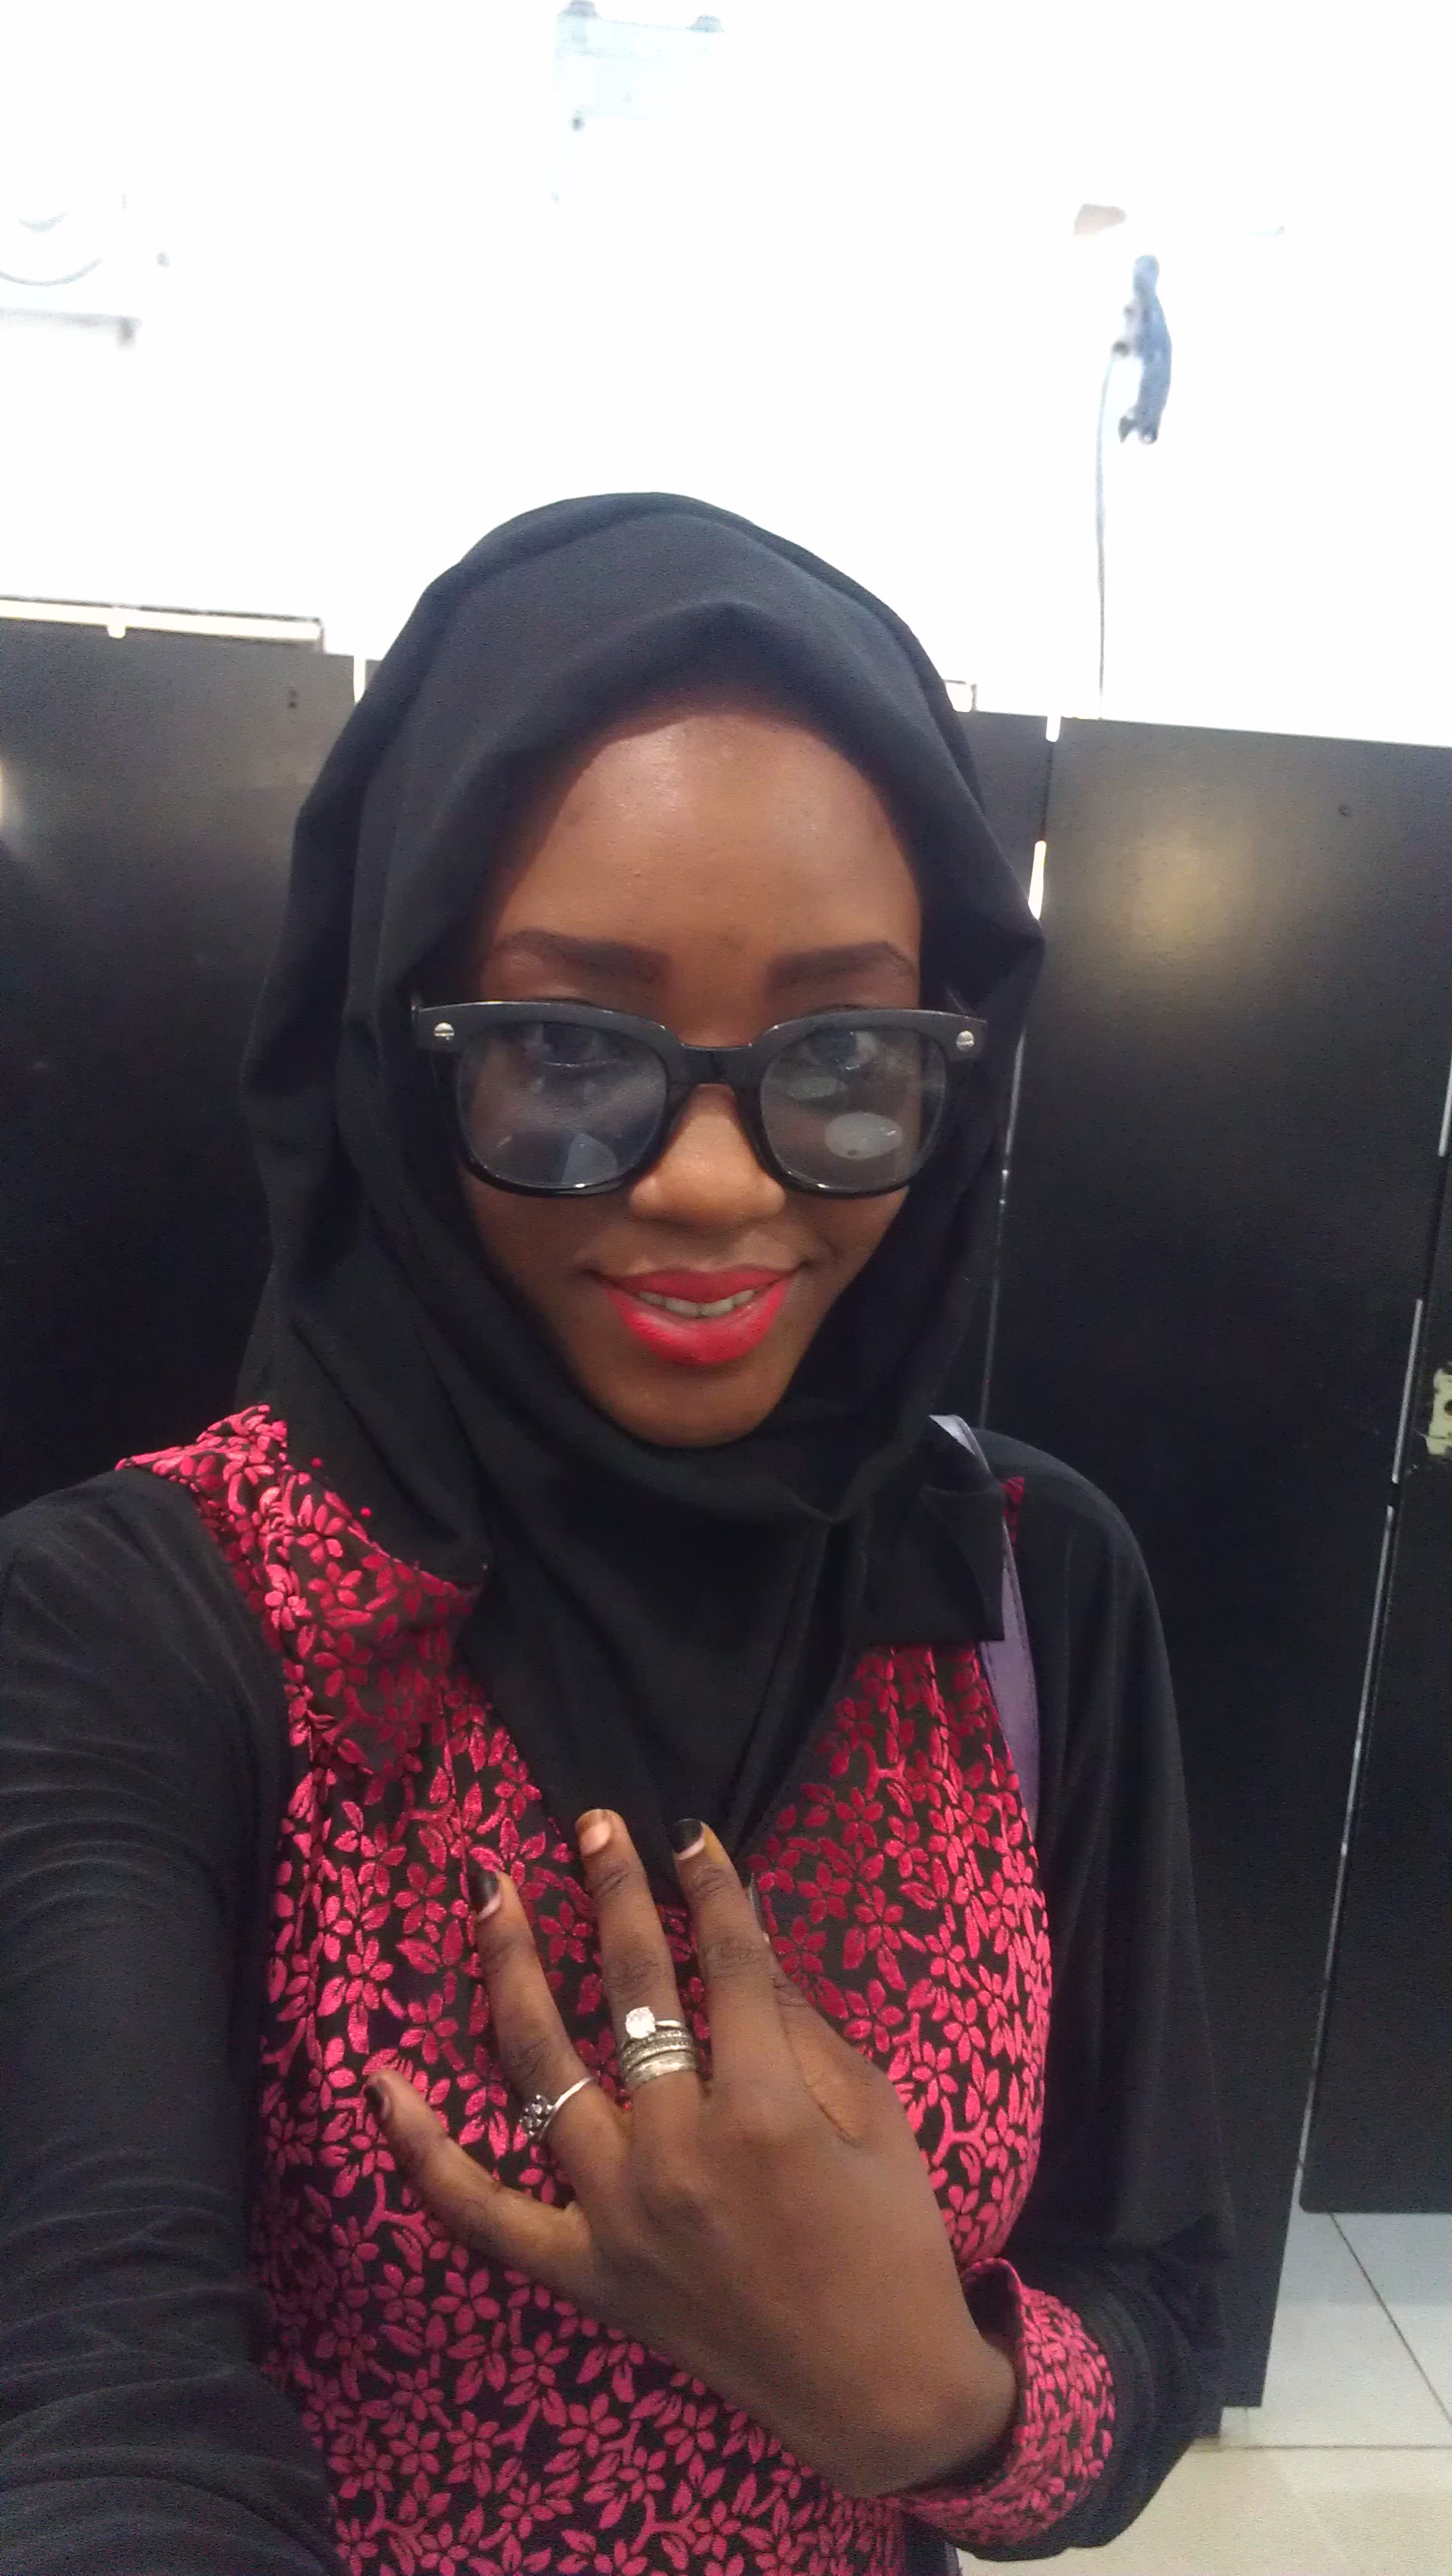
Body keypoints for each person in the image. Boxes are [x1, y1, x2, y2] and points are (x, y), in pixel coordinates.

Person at [0, 494, 1231, 2576]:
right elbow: (98, 2400)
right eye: (569, 1050)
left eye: (845, 1057)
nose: (715, 1184)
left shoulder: (1025, 1588)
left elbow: (1166, 2296)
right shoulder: (152, 1626)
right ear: (405, 1054)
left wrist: (933, 2402)